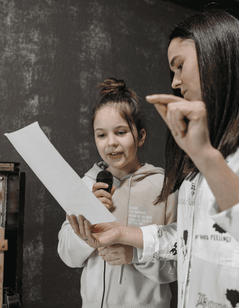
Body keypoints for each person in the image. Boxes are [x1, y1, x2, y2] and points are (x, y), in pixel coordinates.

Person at [68, 9, 239, 308]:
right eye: (100, 134)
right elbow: (191, 242)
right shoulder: (209, 141)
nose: (175, 82)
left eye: (179, 66)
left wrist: (207, 157)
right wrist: (124, 234)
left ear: (216, 54)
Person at [58, 77, 178, 308]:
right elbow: (67, 254)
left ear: (140, 136)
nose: (110, 143)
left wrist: (135, 255)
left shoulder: (163, 187)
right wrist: (88, 216)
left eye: (121, 132)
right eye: (101, 135)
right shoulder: (86, 184)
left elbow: (176, 264)